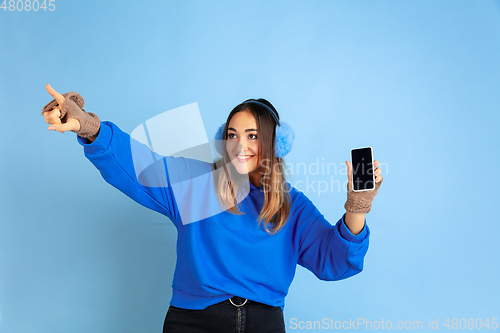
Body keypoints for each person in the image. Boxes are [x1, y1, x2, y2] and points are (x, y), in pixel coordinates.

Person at [41, 83, 383, 333]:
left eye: (252, 135)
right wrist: (88, 126)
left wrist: (358, 204)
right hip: (192, 323)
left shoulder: (292, 206)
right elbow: (138, 165)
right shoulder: (196, 184)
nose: (240, 144)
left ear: (274, 143)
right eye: (232, 134)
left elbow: (334, 261)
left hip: (263, 324)